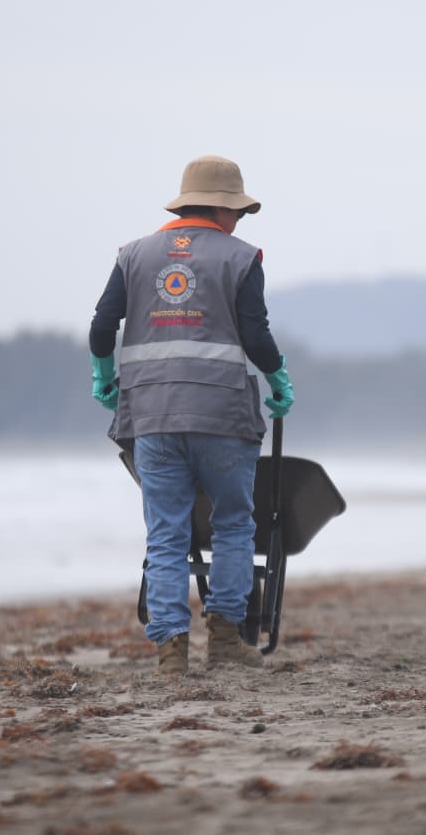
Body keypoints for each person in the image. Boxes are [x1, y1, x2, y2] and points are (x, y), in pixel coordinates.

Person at [88, 155, 294, 675]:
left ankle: (170, 652)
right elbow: (256, 335)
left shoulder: (133, 255)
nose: (240, 223)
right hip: (223, 415)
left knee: (167, 534)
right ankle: (225, 641)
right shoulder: (242, 258)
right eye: (239, 213)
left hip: (152, 417)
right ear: (224, 210)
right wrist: (278, 378)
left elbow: (101, 327)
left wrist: (102, 376)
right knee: (231, 525)